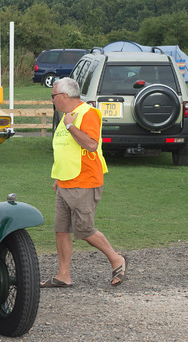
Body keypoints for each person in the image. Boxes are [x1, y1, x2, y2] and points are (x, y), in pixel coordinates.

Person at [41, 77, 126, 288]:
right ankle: (63, 275)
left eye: (53, 96)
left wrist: (71, 126)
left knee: (85, 229)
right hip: (65, 181)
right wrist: (58, 178)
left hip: (84, 181)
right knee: (61, 229)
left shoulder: (88, 114)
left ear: (64, 96)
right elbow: (65, 149)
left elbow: (90, 144)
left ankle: (117, 259)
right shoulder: (66, 117)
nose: (52, 100)